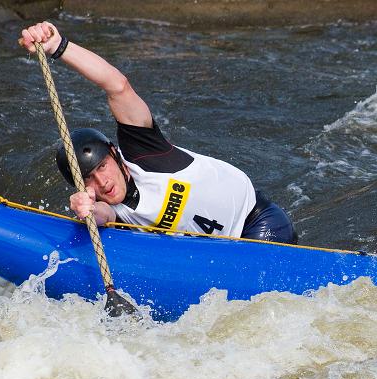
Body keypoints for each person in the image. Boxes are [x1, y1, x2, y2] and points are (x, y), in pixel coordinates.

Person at [19, 21, 297, 244]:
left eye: (102, 166)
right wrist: (86, 212)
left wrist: (59, 46)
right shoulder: (116, 212)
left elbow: (117, 86)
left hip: (259, 224)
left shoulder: (144, 151)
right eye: (89, 179)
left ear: (115, 156)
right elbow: (104, 216)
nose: (102, 182)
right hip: (221, 252)